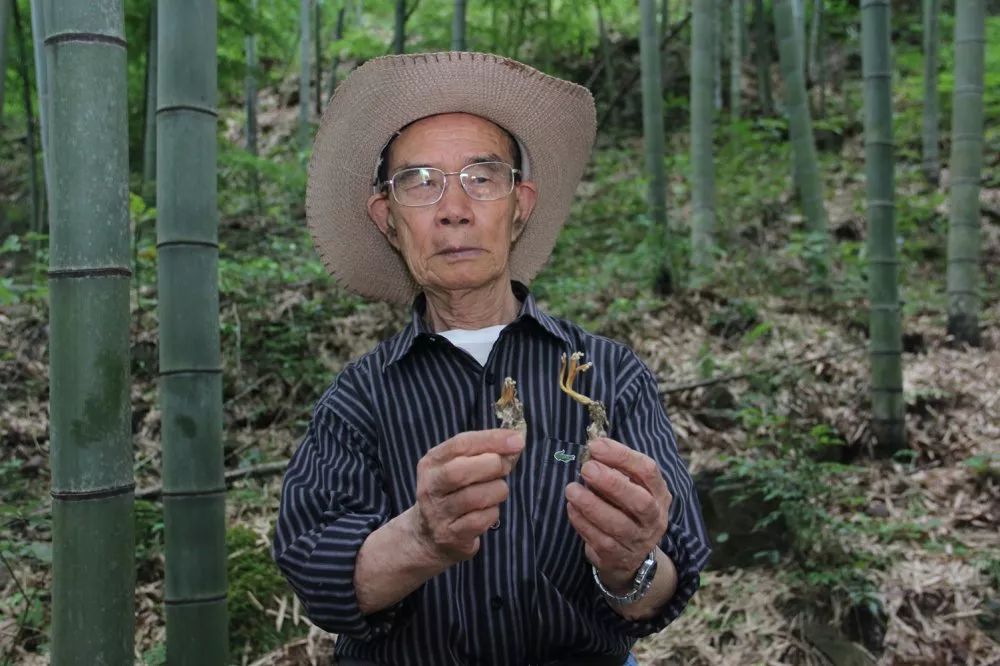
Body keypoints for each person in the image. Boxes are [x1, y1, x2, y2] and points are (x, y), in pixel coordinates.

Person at [273, 52, 710, 666]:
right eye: (420, 182)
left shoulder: (608, 375)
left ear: (520, 206)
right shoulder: (359, 398)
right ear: (389, 221)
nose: (454, 208)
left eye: (481, 177)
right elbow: (317, 574)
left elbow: (670, 580)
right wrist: (421, 538)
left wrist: (628, 564)